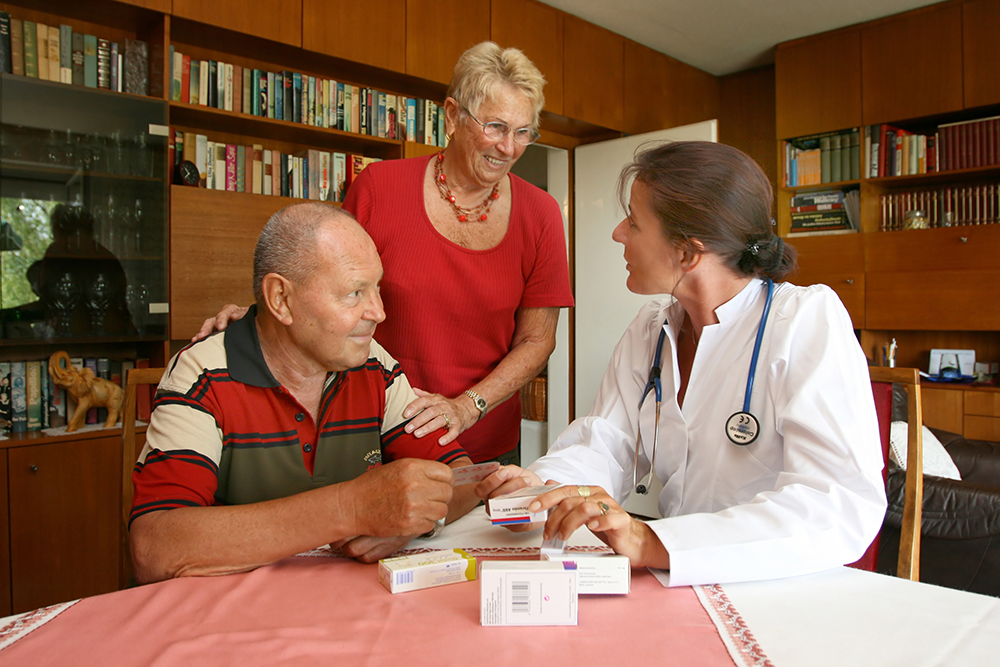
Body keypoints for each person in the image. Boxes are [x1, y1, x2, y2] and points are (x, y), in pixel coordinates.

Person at [476, 141, 887, 587]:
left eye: (633, 222)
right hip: (675, 581)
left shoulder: (804, 322)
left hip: (778, 584)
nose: (618, 233)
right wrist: (541, 491)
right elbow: (606, 442)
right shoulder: (652, 329)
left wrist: (652, 542)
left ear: (688, 253)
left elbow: (838, 504)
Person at [198, 42, 574, 465]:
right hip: (378, 433)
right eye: (496, 127)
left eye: (523, 132)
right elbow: (323, 282)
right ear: (452, 115)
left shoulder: (540, 213)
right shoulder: (380, 187)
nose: (509, 147)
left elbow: (537, 339)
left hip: (487, 444)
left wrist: (466, 408)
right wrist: (257, 321)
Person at [130, 203, 479, 584]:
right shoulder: (202, 374)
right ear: (281, 299)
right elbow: (154, 548)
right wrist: (351, 507)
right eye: (354, 293)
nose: (378, 312)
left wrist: (414, 521)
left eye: (376, 288)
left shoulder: (374, 365)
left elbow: (462, 477)